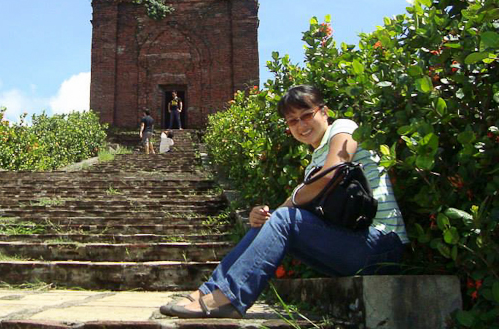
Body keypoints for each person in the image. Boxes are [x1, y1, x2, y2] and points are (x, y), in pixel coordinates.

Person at [160, 84, 408, 319]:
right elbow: (298, 206)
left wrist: (286, 208)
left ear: (324, 112)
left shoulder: (343, 127)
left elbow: (333, 173)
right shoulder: (313, 164)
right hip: (350, 246)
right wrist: (265, 217)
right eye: (293, 121)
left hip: (381, 244)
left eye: (307, 115)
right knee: (270, 221)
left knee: (283, 218)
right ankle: (208, 290)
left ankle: (230, 297)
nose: (301, 125)